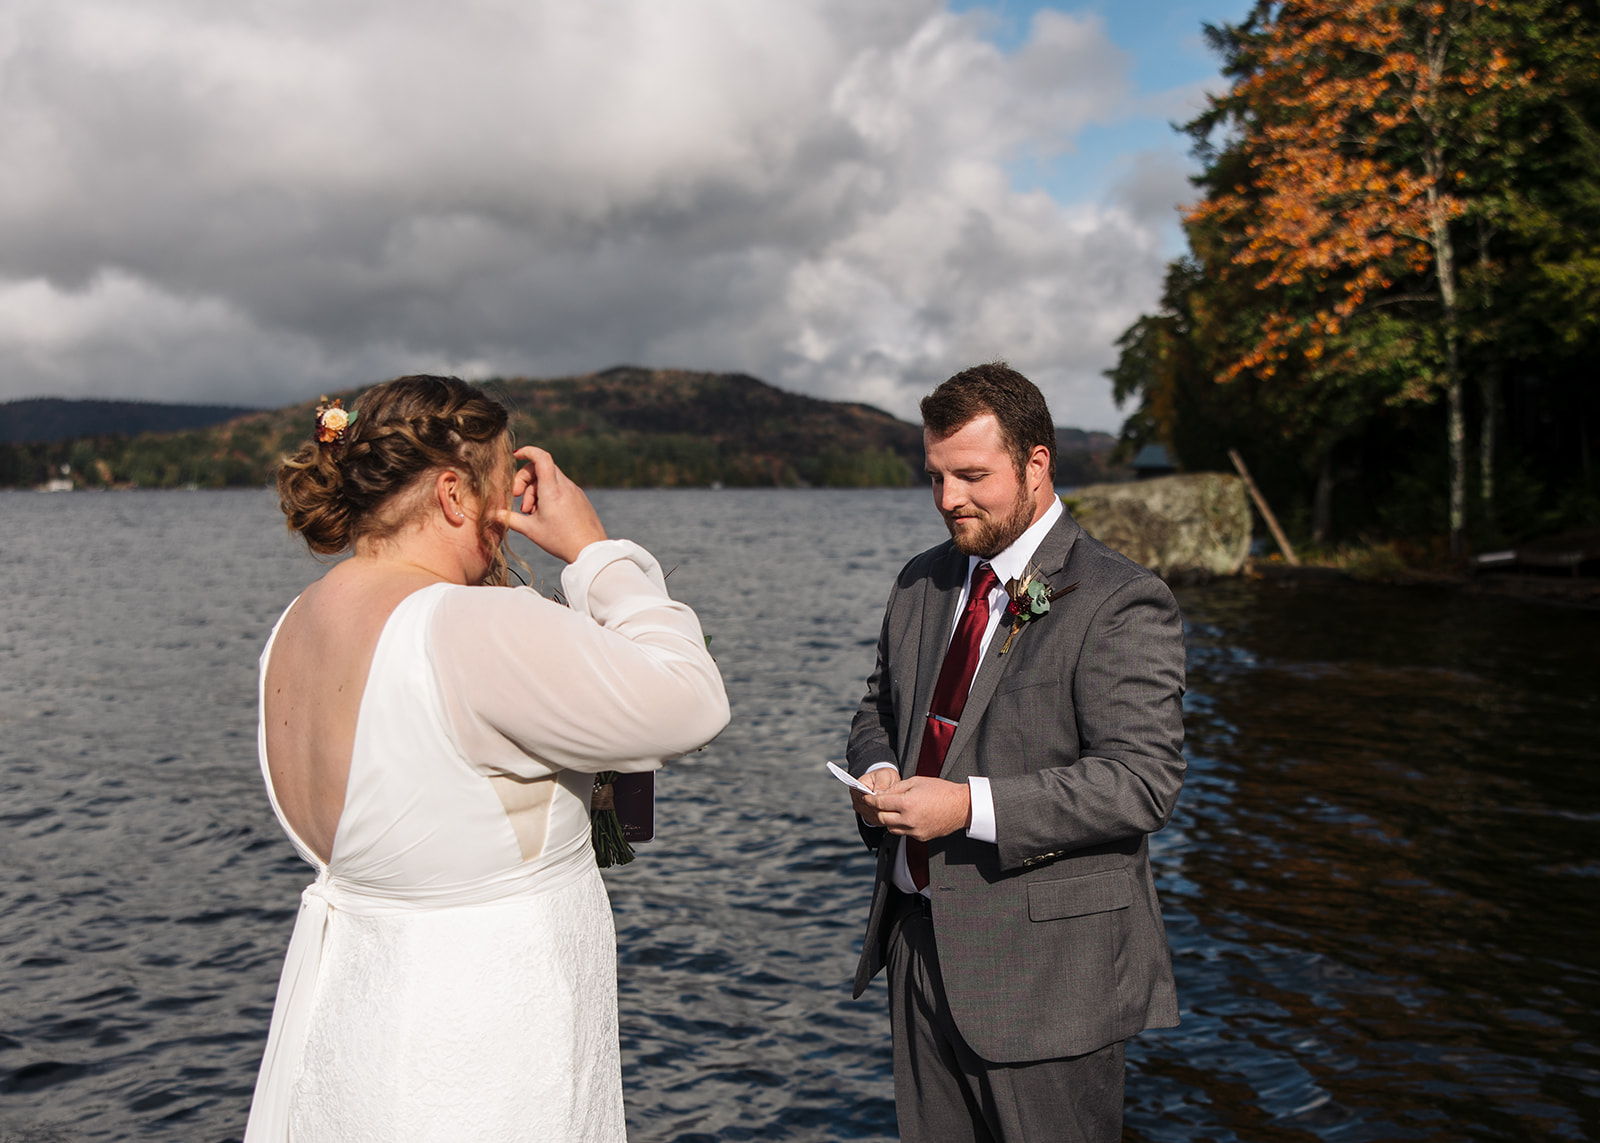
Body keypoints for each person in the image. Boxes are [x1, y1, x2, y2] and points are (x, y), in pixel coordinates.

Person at [244, 375, 729, 1142]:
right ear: (452, 494)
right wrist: (594, 549)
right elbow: (693, 700)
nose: (508, 517)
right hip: (485, 1059)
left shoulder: (294, 628)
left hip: (355, 1038)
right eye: (499, 488)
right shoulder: (470, 625)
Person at [845, 363, 1186, 1143]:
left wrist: (966, 805)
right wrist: (877, 770)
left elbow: (1142, 782)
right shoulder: (922, 581)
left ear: (1037, 463)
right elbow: (880, 707)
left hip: (1049, 977)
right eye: (934, 476)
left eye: (970, 475)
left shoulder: (1119, 598)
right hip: (919, 945)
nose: (947, 499)